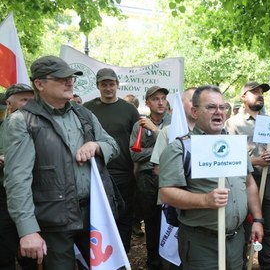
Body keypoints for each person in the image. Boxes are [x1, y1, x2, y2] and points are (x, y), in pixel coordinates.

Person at [2, 56, 119, 268]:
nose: (70, 82)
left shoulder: (83, 113)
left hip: (94, 215)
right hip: (53, 222)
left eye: (71, 77)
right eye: (61, 78)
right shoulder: (22, 121)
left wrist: (96, 146)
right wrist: (27, 230)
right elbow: (17, 179)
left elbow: (112, 144)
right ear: (39, 84)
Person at [158, 85, 263, 269]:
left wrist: (257, 220)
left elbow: (248, 184)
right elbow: (166, 193)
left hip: (237, 240)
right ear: (194, 111)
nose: (219, 112)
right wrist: (205, 200)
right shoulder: (180, 148)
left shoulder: (235, 145)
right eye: (211, 107)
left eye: (222, 107)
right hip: (202, 242)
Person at [83, 68, 140, 252]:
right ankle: (100, 256)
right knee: (99, 216)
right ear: (98, 86)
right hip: (97, 172)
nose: (108, 88)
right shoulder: (87, 109)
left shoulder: (129, 109)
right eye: (104, 84)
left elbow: (137, 140)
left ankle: (122, 256)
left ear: (117, 85)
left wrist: (136, 166)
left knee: (124, 216)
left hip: (124, 171)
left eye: (112, 84)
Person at [225, 81, 270, 269]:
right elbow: (230, 158)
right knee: (244, 230)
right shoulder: (232, 124)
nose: (260, 94)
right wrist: (255, 162)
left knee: (267, 227)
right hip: (244, 181)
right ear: (243, 97)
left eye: (261, 92)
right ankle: (242, 264)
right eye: (254, 92)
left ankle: (267, 265)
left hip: (269, 179)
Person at [129, 86, 171, 270]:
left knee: (170, 221)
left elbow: (178, 148)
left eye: (163, 98)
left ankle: (170, 260)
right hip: (147, 178)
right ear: (147, 103)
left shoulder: (175, 122)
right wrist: (160, 149)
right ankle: (153, 262)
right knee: (152, 222)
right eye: (155, 99)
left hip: (170, 177)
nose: (160, 102)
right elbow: (134, 155)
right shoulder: (139, 124)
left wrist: (156, 132)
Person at [0, 83, 35, 270]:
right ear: (9, 102)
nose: (29, 104)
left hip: (33, 198)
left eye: (32, 100)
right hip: (3, 199)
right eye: (24, 100)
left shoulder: (38, 124)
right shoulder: (5, 124)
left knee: (33, 255)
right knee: (5, 253)